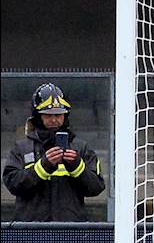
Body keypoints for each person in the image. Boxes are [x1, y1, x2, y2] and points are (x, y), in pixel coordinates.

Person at [3, 83, 106, 221]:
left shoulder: (80, 147)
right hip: (32, 232)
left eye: (58, 115)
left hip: (70, 231)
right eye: (48, 115)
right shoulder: (22, 148)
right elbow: (13, 184)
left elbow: (96, 187)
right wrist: (43, 166)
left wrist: (77, 167)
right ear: (38, 116)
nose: (54, 120)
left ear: (65, 116)